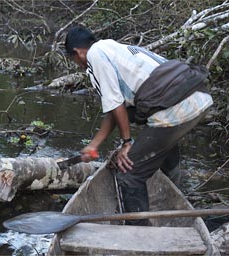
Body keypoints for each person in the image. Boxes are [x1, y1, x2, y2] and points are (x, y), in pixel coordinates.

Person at [65, 26, 213, 225]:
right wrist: (94, 145)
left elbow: (116, 105)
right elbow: (116, 109)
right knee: (146, 125)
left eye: (74, 60)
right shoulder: (113, 48)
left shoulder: (95, 56)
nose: (78, 64)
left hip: (176, 108)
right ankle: (174, 186)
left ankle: (141, 234)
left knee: (128, 174)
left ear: (77, 52)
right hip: (197, 97)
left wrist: (127, 143)